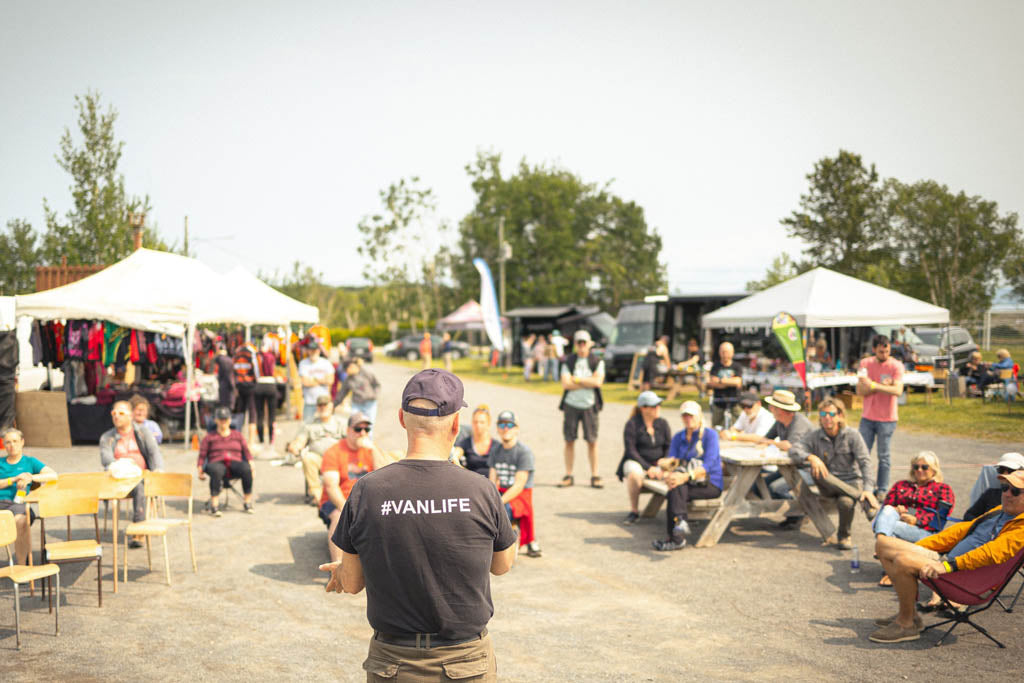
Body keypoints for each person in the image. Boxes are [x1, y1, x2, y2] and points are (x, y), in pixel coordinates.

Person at [319, 368, 518, 680]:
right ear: (456, 424)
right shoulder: (480, 490)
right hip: (467, 664)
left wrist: (344, 569)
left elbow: (354, 583)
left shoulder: (368, 491)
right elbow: (503, 564)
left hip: (394, 664)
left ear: (401, 418)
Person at [868, 468, 1024, 644]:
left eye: (1016, 491)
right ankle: (910, 615)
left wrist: (948, 566)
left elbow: (993, 552)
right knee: (883, 545)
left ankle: (906, 623)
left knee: (903, 560)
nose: (1007, 494)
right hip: (950, 564)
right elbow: (957, 533)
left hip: (968, 579)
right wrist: (912, 547)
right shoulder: (1000, 511)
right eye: (1005, 488)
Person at [789, 397, 879, 549]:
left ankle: (844, 537)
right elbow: (794, 449)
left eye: (831, 414)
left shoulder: (852, 435)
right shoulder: (815, 436)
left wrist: (868, 490)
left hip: (850, 481)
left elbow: (865, 462)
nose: (827, 419)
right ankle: (861, 499)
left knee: (846, 502)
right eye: (823, 415)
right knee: (819, 471)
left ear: (840, 415)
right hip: (827, 483)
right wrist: (811, 457)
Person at [873, 451, 955, 586]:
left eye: (924, 467)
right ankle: (887, 554)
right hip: (898, 523)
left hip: (925, 532)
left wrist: (916, 519)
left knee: (889, 526)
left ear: (934, 469)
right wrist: (896, 510)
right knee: (887, 512)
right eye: (916, 467)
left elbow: (940, 518)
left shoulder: (942, 489)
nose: (919, 470)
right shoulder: (901, 485)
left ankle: (882, 547)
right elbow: (885, 509)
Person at [652, 401, 724, 551]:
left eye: (691, 415)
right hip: (687, 482)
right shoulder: (679, 436)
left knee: (676, 488)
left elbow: (708, 466)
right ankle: (680, 527)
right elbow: (672, 462)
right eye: (685, 415)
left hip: (710, 484)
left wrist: (685, 477)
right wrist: (667, 473)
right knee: (675, 487)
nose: (688, 418)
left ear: (699, 416)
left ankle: (675, 538)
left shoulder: (710, 435)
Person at [318, 412, 385, 561]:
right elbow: (331, 487)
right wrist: (346, 509)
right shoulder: (334, 452)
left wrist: (373, 449)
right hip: (337, 501)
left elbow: (384, 476)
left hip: (365, 501)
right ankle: (338, 569)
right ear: (348, 430)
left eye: (366, 430)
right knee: (339, 518)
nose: (362, 433)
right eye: (357, 429)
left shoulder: (371, 449)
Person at [100, 400, 164, 528]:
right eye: (114, 413)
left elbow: (154, 453)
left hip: (141, 477)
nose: (116, 416)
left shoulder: (142, 432)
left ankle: (138, 528)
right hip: (118, 478)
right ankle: (140, 526)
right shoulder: (107, 437)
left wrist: (158, 470)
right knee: (137, 485)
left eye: (121, 413)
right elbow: (107, 460)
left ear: (130, 415)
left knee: (140, 485)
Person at [757, 390, 816, 527]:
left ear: (781, 410)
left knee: (776, 488)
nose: (770, 409)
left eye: (772, 407)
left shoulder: (799, 423)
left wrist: (771, 444)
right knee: (759, 486)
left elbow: (789, 446)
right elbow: (766, 439)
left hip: (808, 469)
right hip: (790, 467)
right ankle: (794, 513)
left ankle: (799, 512)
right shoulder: (780, 421)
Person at [857, 334, 904, 499]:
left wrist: (872, 385)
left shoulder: (896, 366)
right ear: (874, 350)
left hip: (887, 419)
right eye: (881, 352)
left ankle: (882, 489)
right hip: (867, 416)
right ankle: (865, 486)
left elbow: (898, 391)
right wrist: (882, 387)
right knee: (863, 453)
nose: (884, 355)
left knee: (884, 456)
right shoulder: (865, 364)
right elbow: (860, 391)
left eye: (887, 351)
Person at [489, 410, 542, 558]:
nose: (506, 428)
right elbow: (492, 479)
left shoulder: (524, 452)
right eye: (502, 424)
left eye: (510, 424)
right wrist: (490, 498)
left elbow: (519, 485)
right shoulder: (495, 450)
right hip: (501, 491)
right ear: (498, 428)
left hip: (520, 495)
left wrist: (498, 502)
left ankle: (506, 545)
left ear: (517, 429)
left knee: (502, 510)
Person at [0, 428, 57, 564]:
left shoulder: (30, 462)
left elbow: (53, 475)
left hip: (19, 504)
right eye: (8, 442)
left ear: (22, 442)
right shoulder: (1, 462)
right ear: (3, 444)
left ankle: (21, 566)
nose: (12, 445)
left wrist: (31, 477)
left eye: (15, 441)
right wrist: (13, 479)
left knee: (21, 521)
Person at [615, 391, 672, 525]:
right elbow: (631, 450)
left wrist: (663, 464)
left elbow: (669, 446)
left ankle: (680, 513)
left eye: (659, 405)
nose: (658, 408)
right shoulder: (632, 424)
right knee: (634, 474)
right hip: (638, 461)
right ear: (643, 408)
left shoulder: (663, 423)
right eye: (654, 406)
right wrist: (648, 468)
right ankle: (634, 511)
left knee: (676, 473)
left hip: (659, 462)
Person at [558, 329, 605, 489]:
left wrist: (577, 379)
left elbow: (598, 382)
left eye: (584, 342)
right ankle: (568, 474)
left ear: (590, 343)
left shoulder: (597, 361)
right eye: (579, 343)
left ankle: (595, 474)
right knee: (569, 440)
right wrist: (588, 381)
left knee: (592, 441)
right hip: (571, 405)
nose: (581, 346)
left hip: (590, 405)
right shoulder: (569, 361)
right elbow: (566, 384)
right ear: (575, 345)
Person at [197, 406, 255, 515]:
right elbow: (202, 454)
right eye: (221, 419)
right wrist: (200, 468)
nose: (223, 422)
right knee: (216, 470)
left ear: (230, 420)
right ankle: (215, 504)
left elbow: (246, 452)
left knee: (246, 469)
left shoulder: (237, 435)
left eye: (226, 419)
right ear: (216, 420)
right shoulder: (209, 437)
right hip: (216, 462)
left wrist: (252, 464)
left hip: (235, 462)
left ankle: (247, 502)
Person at [288, 395, 345, 505]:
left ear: (331, 406)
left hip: (338, 458)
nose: (323, 407)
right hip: (319, 459)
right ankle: (318, 496)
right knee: (308, 458)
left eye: (325, 404)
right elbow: (300, 440)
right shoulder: (309, 424)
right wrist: (295, 446)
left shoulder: (341, 423)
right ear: (317, 408)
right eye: (320, 405)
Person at [964, 452, 1024, 521]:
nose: (1005, 474)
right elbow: (969, 515)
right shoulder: (990, 494)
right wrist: (984, 525)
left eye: (1011, 470)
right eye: (1001, 470)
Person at [334, 359, 381, 430]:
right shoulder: (348, 380)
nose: (346, 372)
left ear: (352, 366)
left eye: (347, 370)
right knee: (354, 423)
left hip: (370, 403)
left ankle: (368, 439)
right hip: (357, 404)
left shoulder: (366, 373)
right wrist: (333, 405)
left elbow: (377, 384)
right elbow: (341, 394)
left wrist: (375, 395)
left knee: (369, 426)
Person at [454, 405, 499, 476]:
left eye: (482, 422)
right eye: (475, 422)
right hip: (472, 482)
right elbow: (455, 457)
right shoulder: (466, 443)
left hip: (490, 483)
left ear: (489, 424)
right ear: (472, 423)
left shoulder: (497, 446)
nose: (478, 425)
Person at [708, 341, 743, 428]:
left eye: (727, 352)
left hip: (734, 400)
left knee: (739, 424)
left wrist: (720, 381)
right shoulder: (715, 366)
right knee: (715, 426)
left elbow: (738, 382)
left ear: (732, 353)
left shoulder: (737, 366)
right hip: (719, 400)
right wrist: (729, 382)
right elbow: (712, 382)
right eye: (723, 352)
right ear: (719, 353)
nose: (725, 354)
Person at [252, 337, 280, 447]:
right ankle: (271, 441)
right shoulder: (271, 356)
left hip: (259, 384)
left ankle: (261, 440)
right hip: (270, 383)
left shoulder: (256, 356)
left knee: (260, 414)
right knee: (272, 415)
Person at [298, 339, 334, 423]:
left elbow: (330, 380)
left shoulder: (326, 363)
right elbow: (305, 382)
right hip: (310, 401)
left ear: (318, 350)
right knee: (307, 425)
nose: (313, 352)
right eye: (311, 350)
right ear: (308, 351)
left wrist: (314, 379)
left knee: (325, 425)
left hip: (324, 402)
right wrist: (322, 380)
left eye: (315, 350)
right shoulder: (303, 363)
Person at [233, 340, 259, 443]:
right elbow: (256, 371)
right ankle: (251, 441)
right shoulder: (251, 354)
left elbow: (233, 370)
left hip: (239, 386)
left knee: (241, 411)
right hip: (250, 385)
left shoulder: (236, 354)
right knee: (252, 412)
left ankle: (238, 438)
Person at [213, 343, 235, 410]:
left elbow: (216, 372)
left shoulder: (218, 359)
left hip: (222, 384)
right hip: (230, 383)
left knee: (222, 405)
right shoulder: (230, 360)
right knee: (229, 404)